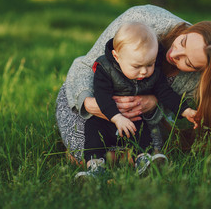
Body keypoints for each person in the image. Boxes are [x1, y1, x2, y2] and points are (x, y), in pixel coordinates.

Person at [55, 5, 211, 172]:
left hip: (139, 120)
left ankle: (125, 158)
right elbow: (86, 66)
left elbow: (169, 112)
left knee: (150, 139)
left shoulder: (197, 81)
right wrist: (90, 104)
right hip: (94, 109)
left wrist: (155, 105)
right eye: (183, 42)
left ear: (203, 71)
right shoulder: (143, 20)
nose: (174, 54)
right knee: (85, 146)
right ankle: (114, 158)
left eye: (188, 62)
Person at [76, 22, 197, 178]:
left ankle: (144, 160)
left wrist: (185, 110)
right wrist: (117, 117)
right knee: (92, 131)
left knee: (144, 131)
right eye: (137, 66)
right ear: (116, 57)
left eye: (150, 64)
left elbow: (166, 93)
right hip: (105, 119)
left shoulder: (154, 73)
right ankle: (95, 167)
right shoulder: (105, 69)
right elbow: (102, 96)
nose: (144, 71)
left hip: (134, 120)